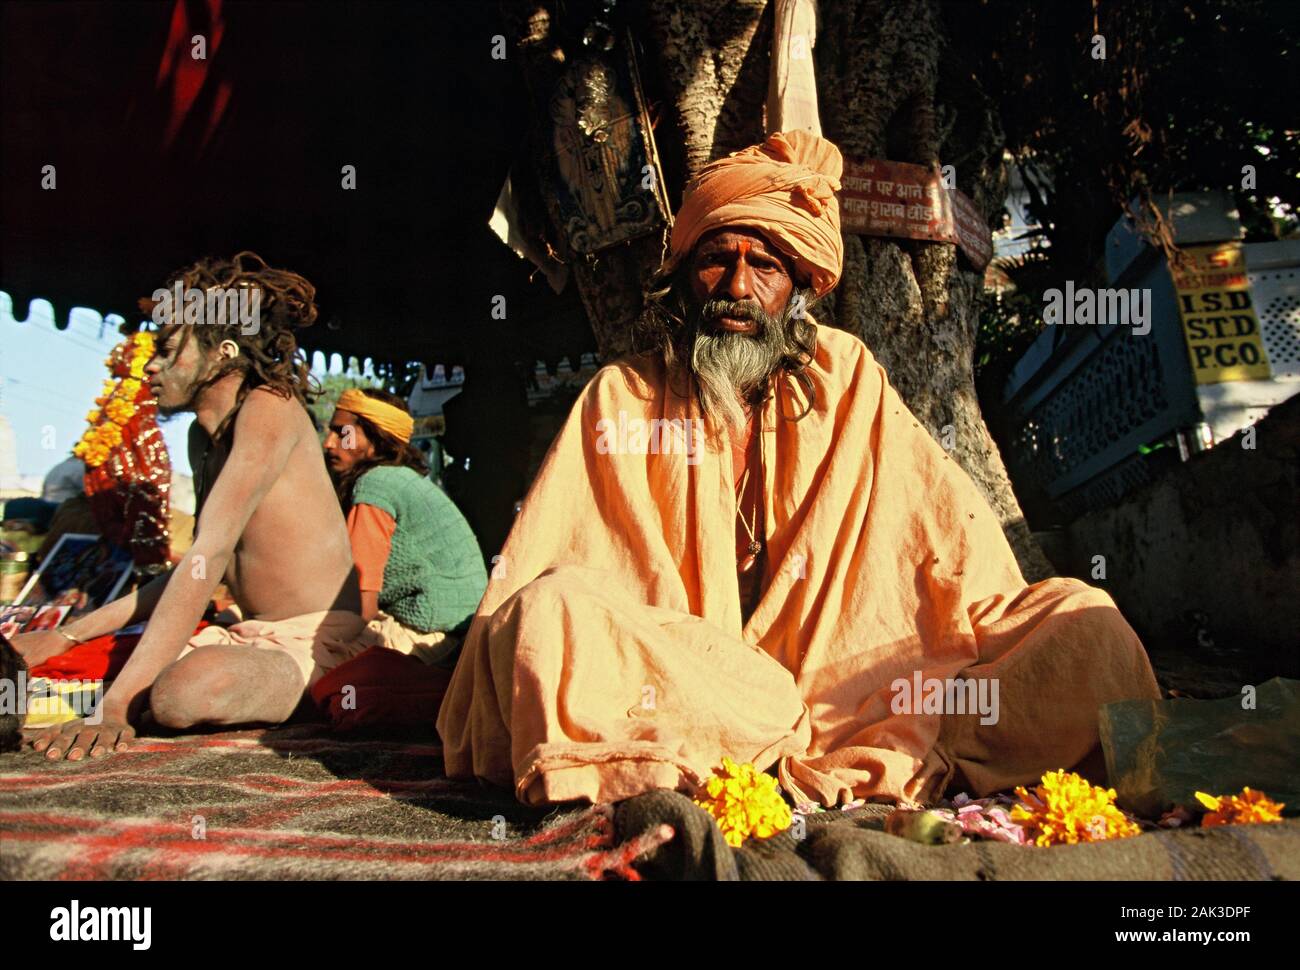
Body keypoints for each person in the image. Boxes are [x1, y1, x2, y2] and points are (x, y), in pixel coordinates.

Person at [437, 131, 1161, 808]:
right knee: (551, 618)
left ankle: (745, 753)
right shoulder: (622, 397)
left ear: (799, 286)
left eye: (767, 266)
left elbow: (946, 552)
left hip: (866, 693)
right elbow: (558, 574)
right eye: (716, 259)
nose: (739, 286)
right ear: (686, 278)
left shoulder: (847, 378)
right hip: (705, 686)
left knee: (1087, 632)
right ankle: (739, 741)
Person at [13, 252, 365, 760]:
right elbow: (197, 569)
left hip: (318, 643)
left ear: (221, 353)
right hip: (245, 632)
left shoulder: (271, 409)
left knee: (178, 695)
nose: (151, 366)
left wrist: (111, 711)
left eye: (167, 349)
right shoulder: (204, 441)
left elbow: (208, 561)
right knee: (75, 670)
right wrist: (66, 637)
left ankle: (337, 691)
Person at [322, 387, 487, 668]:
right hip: (464, 625)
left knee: (319, 664)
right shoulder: (402, 479)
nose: (328, 443)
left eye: (342, 433)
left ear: (377, 438)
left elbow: (363, 602)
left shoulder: (376, 485)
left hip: (433, 631)